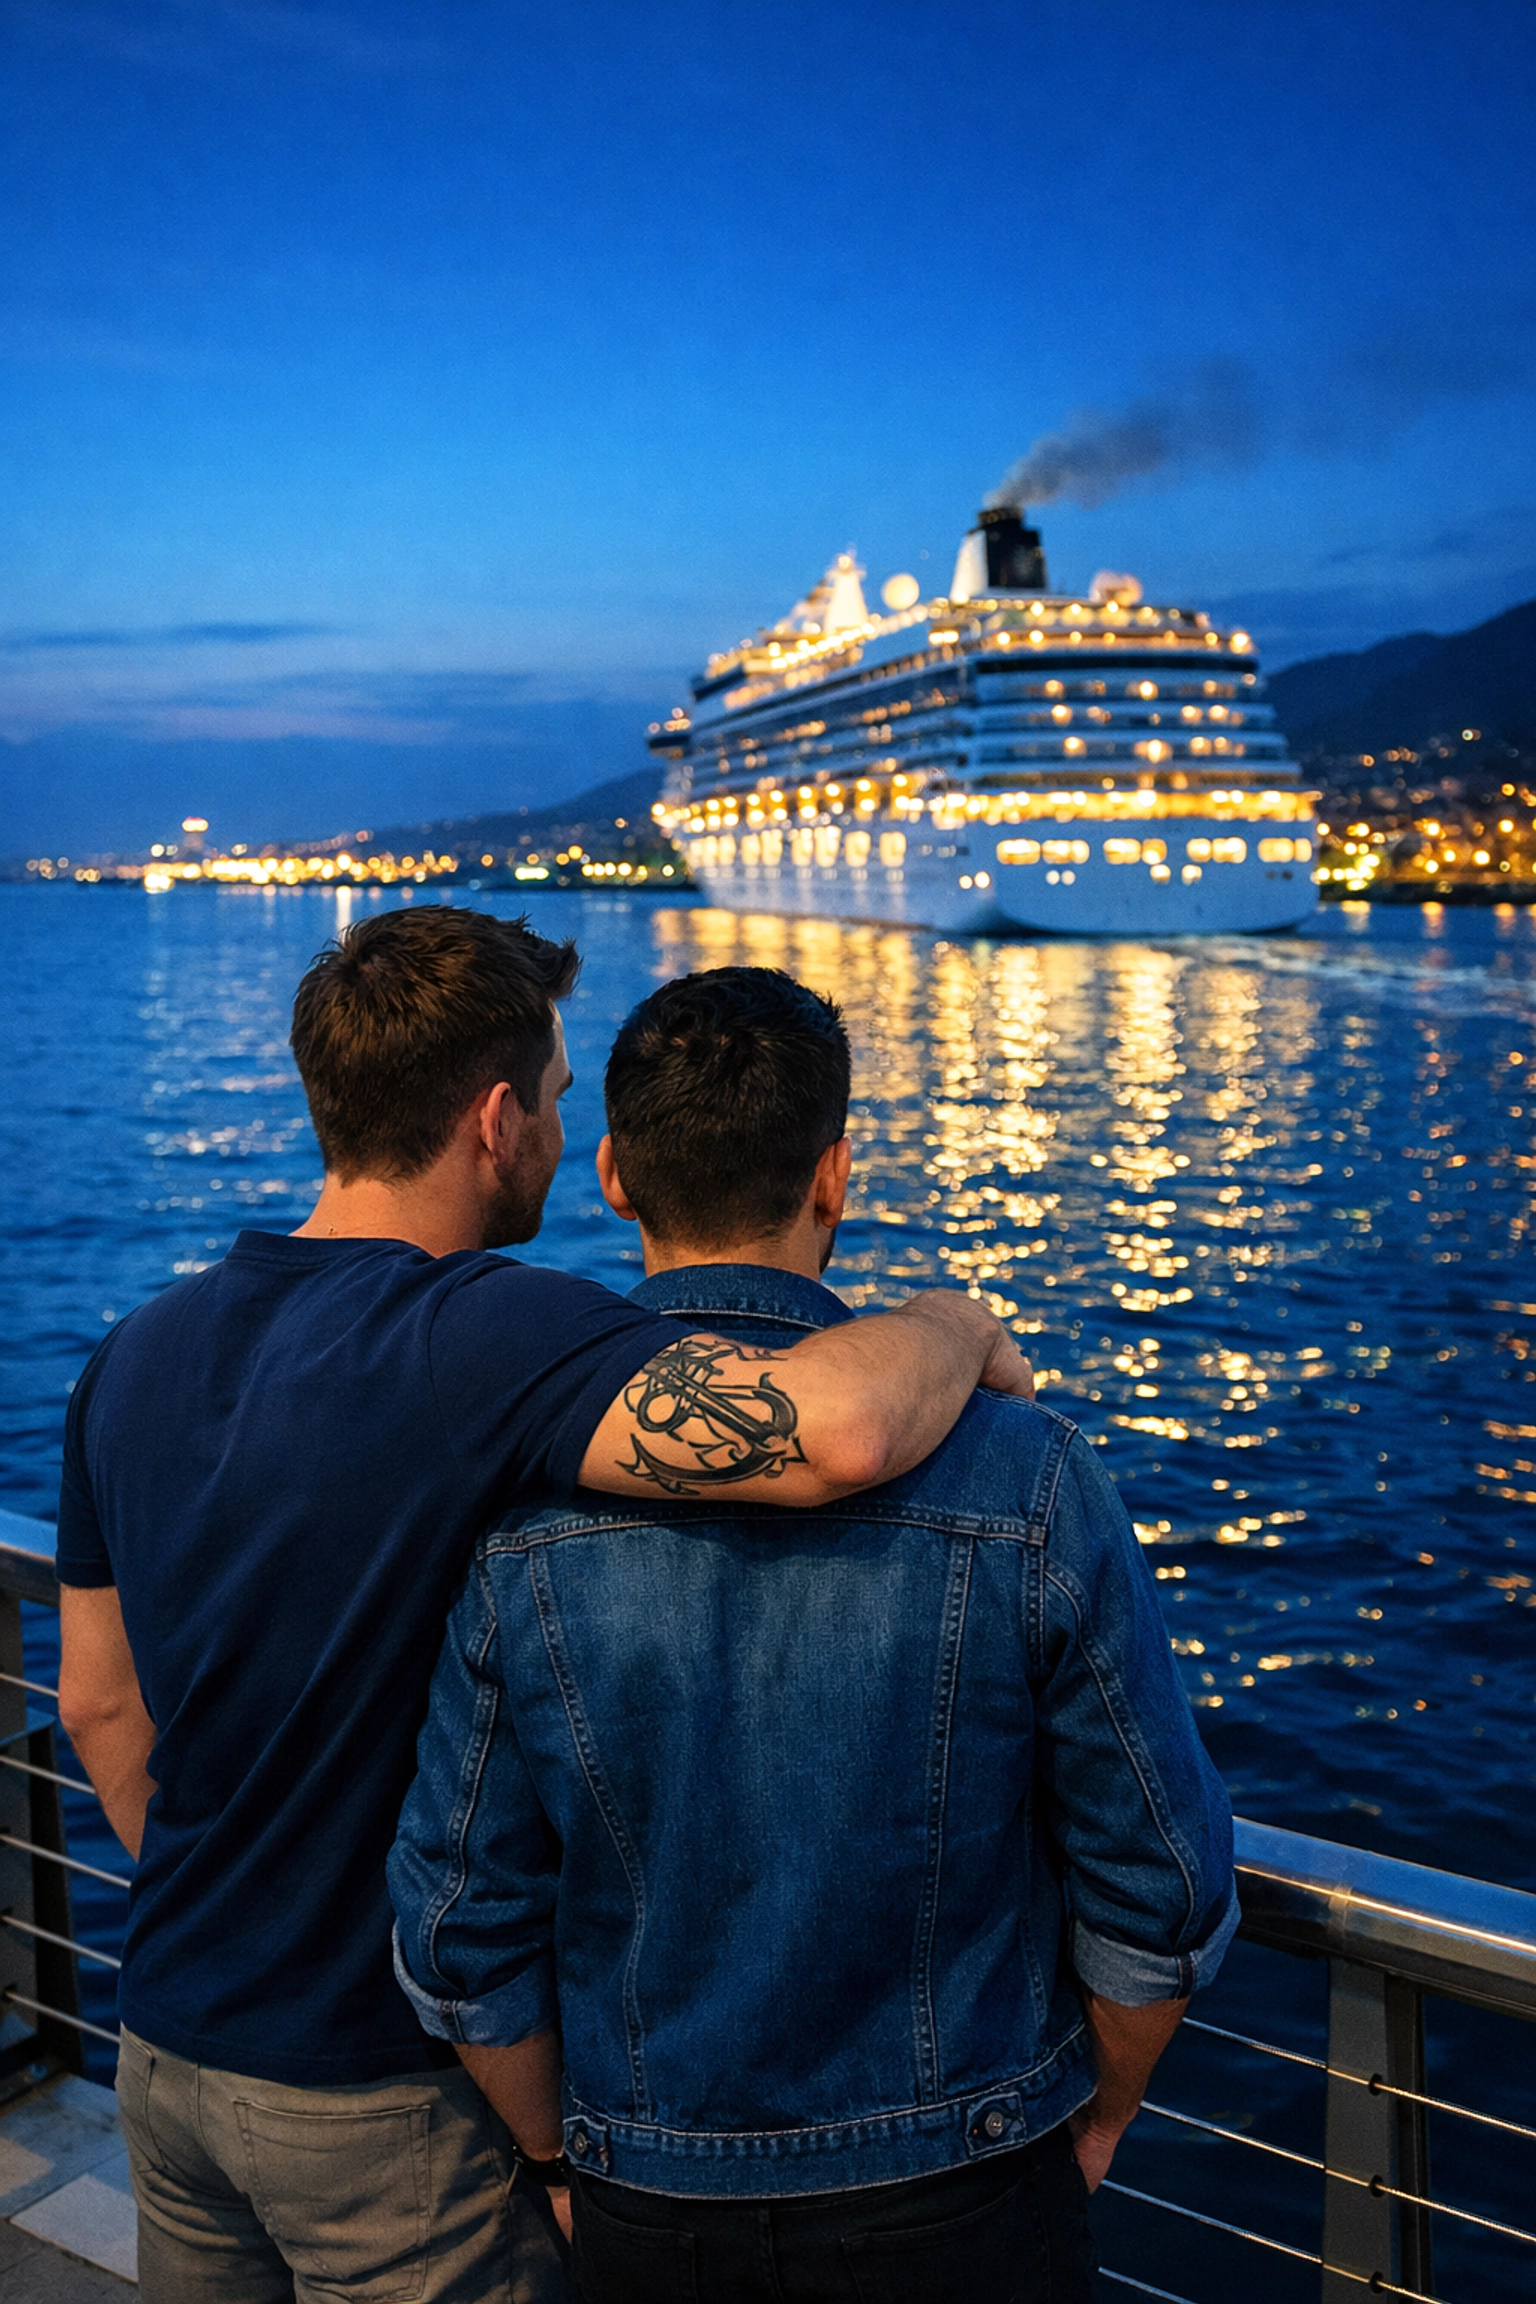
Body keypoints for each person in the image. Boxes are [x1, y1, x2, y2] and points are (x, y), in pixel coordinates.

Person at [56, 911, 1032, 2304]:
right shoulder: (476, 1333)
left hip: (168, 2049)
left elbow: (97, 1701)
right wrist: (958, 1318)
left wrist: (243, 1903)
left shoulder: (134, 1352)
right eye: (564, 1101)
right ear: (499, 1119)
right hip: (386, 2097)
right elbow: (842, 1434)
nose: (569, 1139)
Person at [390, 963, 1239, 2304]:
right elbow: (1164, 1884)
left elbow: (459, 1924)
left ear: (613, 1175)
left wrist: (564, 2157)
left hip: (651, 2204)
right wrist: (1098, 2112)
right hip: (967, 2186)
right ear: (837, 1173)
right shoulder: (1028, 1474)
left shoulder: (522, 1509)